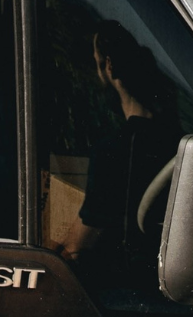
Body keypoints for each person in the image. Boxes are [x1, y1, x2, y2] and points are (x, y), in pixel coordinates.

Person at [53, 20, 180, 282]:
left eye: (96, 60)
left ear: (108, 65)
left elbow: (79, 245)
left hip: (124, 283)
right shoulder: (175, 137)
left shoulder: (114, 149)